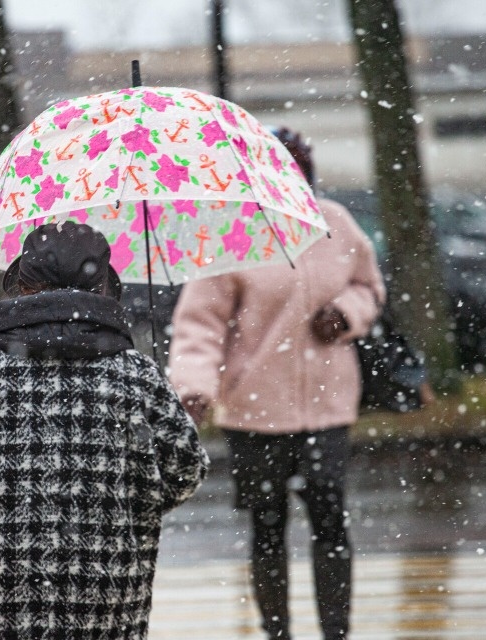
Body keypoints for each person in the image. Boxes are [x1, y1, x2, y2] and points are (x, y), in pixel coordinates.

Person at [0, 222, 209, 640]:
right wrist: (119, 503)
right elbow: (186, 469)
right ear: (104, 290)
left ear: (21, 287)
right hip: (107, 595)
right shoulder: (136, 376)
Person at [168, 129, 386, 640]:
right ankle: (277, 633)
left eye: (301, 176)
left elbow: (369, 286)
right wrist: (194, 389)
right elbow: (200, 324)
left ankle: (337, 632)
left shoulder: (336, 225)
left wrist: (345, 313)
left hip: (329, 408)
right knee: (267, 530)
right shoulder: (230, 235)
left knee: (331, 524)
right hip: (254, 412)